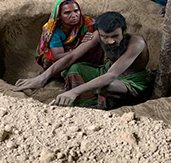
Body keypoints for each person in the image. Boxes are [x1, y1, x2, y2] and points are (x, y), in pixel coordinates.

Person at [13, 12, 150, 109]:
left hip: (129, 82)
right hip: (106, 70)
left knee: (104, 86)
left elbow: (111, 76)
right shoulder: (98, 34)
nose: (110, 41)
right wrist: (42, 78)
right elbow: (72, 56)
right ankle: (80, 103)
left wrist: (74, 91)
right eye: (105, 37)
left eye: (115, 36)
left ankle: (101, 107)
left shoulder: (136, 43)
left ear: (124, 31)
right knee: (75, 68)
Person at [35, 0, 102, 70]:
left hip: (80, 53)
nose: (74, 15)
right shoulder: (53, 30)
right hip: (64, 55)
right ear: (59, 15)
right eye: (67, 13)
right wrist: (82, 48)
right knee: (50, 62)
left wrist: (91, 37)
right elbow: (57, 55)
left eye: (76, 11)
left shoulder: (88, 23)